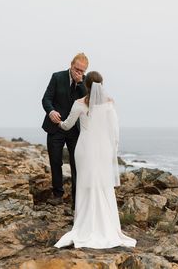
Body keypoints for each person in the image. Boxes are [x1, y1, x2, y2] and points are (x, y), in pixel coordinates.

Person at [54, 71, 137, 249]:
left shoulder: (79, 104)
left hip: (85, 148)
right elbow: (115, 132)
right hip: (103, 149)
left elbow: (68, 125)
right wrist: (112, 149)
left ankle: (85, 223)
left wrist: (58, 122)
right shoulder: (109, 104)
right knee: (102, 185)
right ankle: (106, 224)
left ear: (86, 85)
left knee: (85, 184)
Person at [42, 53, 88, 209]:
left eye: (82, 71)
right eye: (76, 69)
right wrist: (51, 111)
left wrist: (80, 83)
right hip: (55, 127)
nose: (78, 72)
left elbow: (88, 101)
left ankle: (77, 201)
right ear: (71, 64)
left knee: (77, 165)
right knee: (55, 161)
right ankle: (58, 195)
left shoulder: (85, 82)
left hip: (75, 131)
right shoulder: (57, 77)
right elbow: (46, 98)